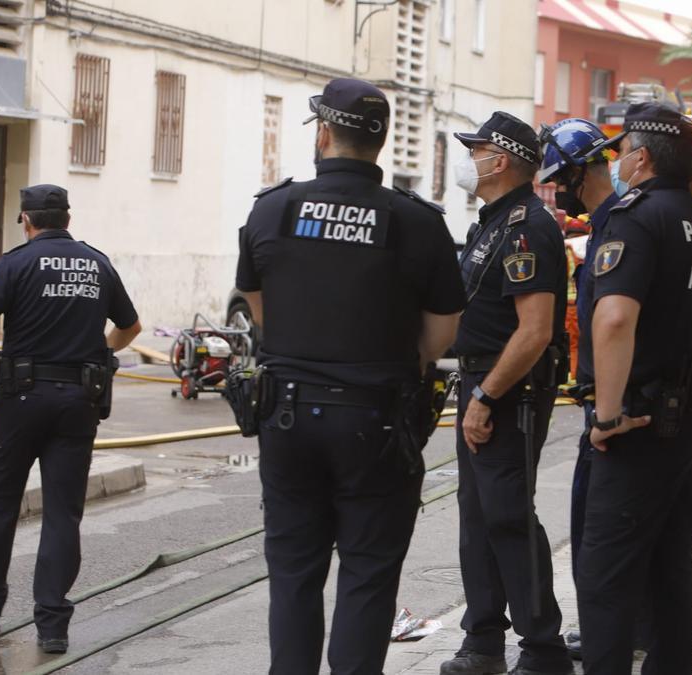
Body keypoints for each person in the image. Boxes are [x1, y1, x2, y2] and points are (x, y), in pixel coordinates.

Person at [235, 77, 464, 675]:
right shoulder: (416, 222)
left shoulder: (273, 207)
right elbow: (444, 329)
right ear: (381, 142)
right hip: (376, 418)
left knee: (293, 573)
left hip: (286, 413)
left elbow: (259, 307)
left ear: (325, 133)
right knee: (367, 575)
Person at [0, 184, 142, 654]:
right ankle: (52, 627)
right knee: (63, 513)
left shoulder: (15, 263)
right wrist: (100, 351)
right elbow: (131, 326)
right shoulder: (97, 263)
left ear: (26, 220)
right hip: (78, 404)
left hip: (22, 401)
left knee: (0, 504)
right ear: (68, 219)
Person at [576, 102, 692, 675]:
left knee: (606, 574)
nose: (616, 163)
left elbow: (615, 318)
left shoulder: (633, 219)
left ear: (641, 158)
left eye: (620, 153)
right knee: (673, 564)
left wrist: (607, 415)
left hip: (640, 422)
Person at [442, 111, 573, 675]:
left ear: (501, 160)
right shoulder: (492, 221)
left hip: (509, 394)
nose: (469, 159)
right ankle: (484, 641)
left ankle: (542, 647)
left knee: (508, 517)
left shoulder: (527, 226)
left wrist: (487, 397)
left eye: (476, 150)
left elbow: (536, 330)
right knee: (479, 515)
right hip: (482, 381)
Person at [536, 117, 628, 661]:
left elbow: (617, 323)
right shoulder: (604, 226)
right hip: (606, 399)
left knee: (595, 528)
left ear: (575, 173)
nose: (558, 189)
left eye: (559, 178)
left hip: (610, 408)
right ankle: (623, 628)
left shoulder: (617, 226)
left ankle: (606, 635)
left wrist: (607, 412)